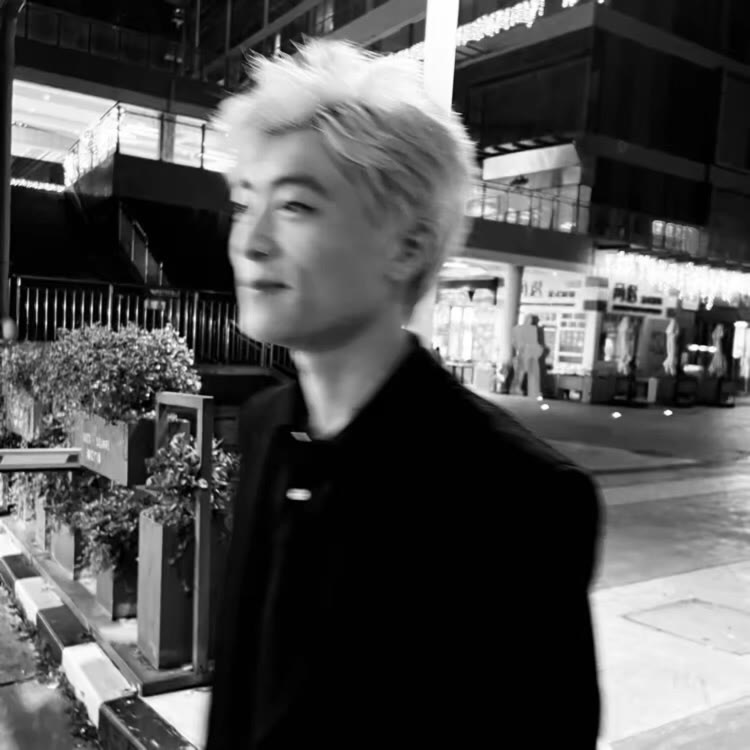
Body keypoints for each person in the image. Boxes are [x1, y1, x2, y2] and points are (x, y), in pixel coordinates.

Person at [206, 39, 602, 750]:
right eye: (244, 203)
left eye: (295, 205)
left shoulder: (520, 499)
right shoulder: (268, 426)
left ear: (408, 247)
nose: (250, 242)